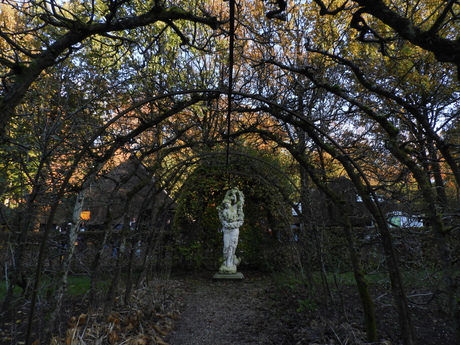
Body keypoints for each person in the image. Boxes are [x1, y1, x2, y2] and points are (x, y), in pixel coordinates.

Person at [217, 187, 244, 274]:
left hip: (234, 229)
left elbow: (241, 202)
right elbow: (222, 219)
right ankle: (226, 262)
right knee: (226, 246)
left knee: (232, 246)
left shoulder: (236, 207)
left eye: (234, 197)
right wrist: (226, 224)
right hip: (226, 229)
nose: (233, 198)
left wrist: (237, 193)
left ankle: (230, 263)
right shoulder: (224, 210)